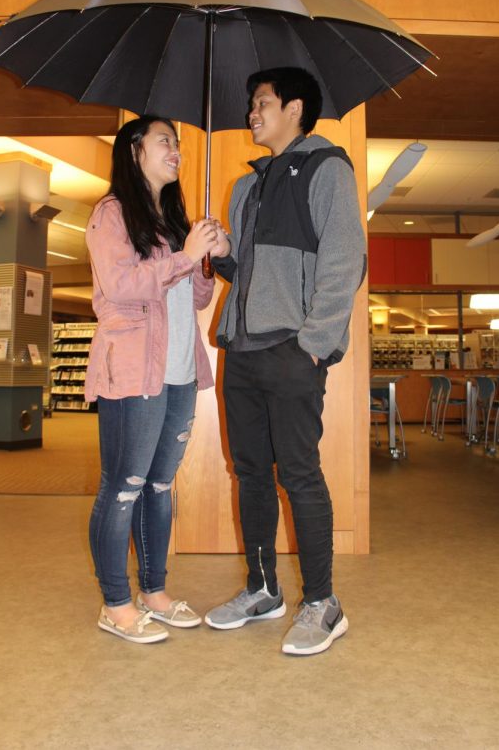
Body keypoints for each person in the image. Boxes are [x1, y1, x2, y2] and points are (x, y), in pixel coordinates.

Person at [205, 67, 367, 656]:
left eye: (262, 102)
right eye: (252, 104)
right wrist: (223, 254)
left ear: (295, 108)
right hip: (241, 350)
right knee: (248, 474)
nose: (253, 112)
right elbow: (248, 278)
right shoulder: (246, 187)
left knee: (298, 474)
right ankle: (262, 588)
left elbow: (346, 258)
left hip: (292, 349)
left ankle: (323, 603)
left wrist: (314, 343)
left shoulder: (327, 167)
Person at [85, 115, 220, 644]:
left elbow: (196, 299)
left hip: (181, 371)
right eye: (166, 140)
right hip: (134, 373)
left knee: (160, 486)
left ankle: (154, 591)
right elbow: (119, 287)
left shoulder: (173, 220)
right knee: (124, 488)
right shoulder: (112, 213)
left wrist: (203, 262)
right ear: (135, 148)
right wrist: (183, 257)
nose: (177, 150)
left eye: (179, 143)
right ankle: (114, 602)